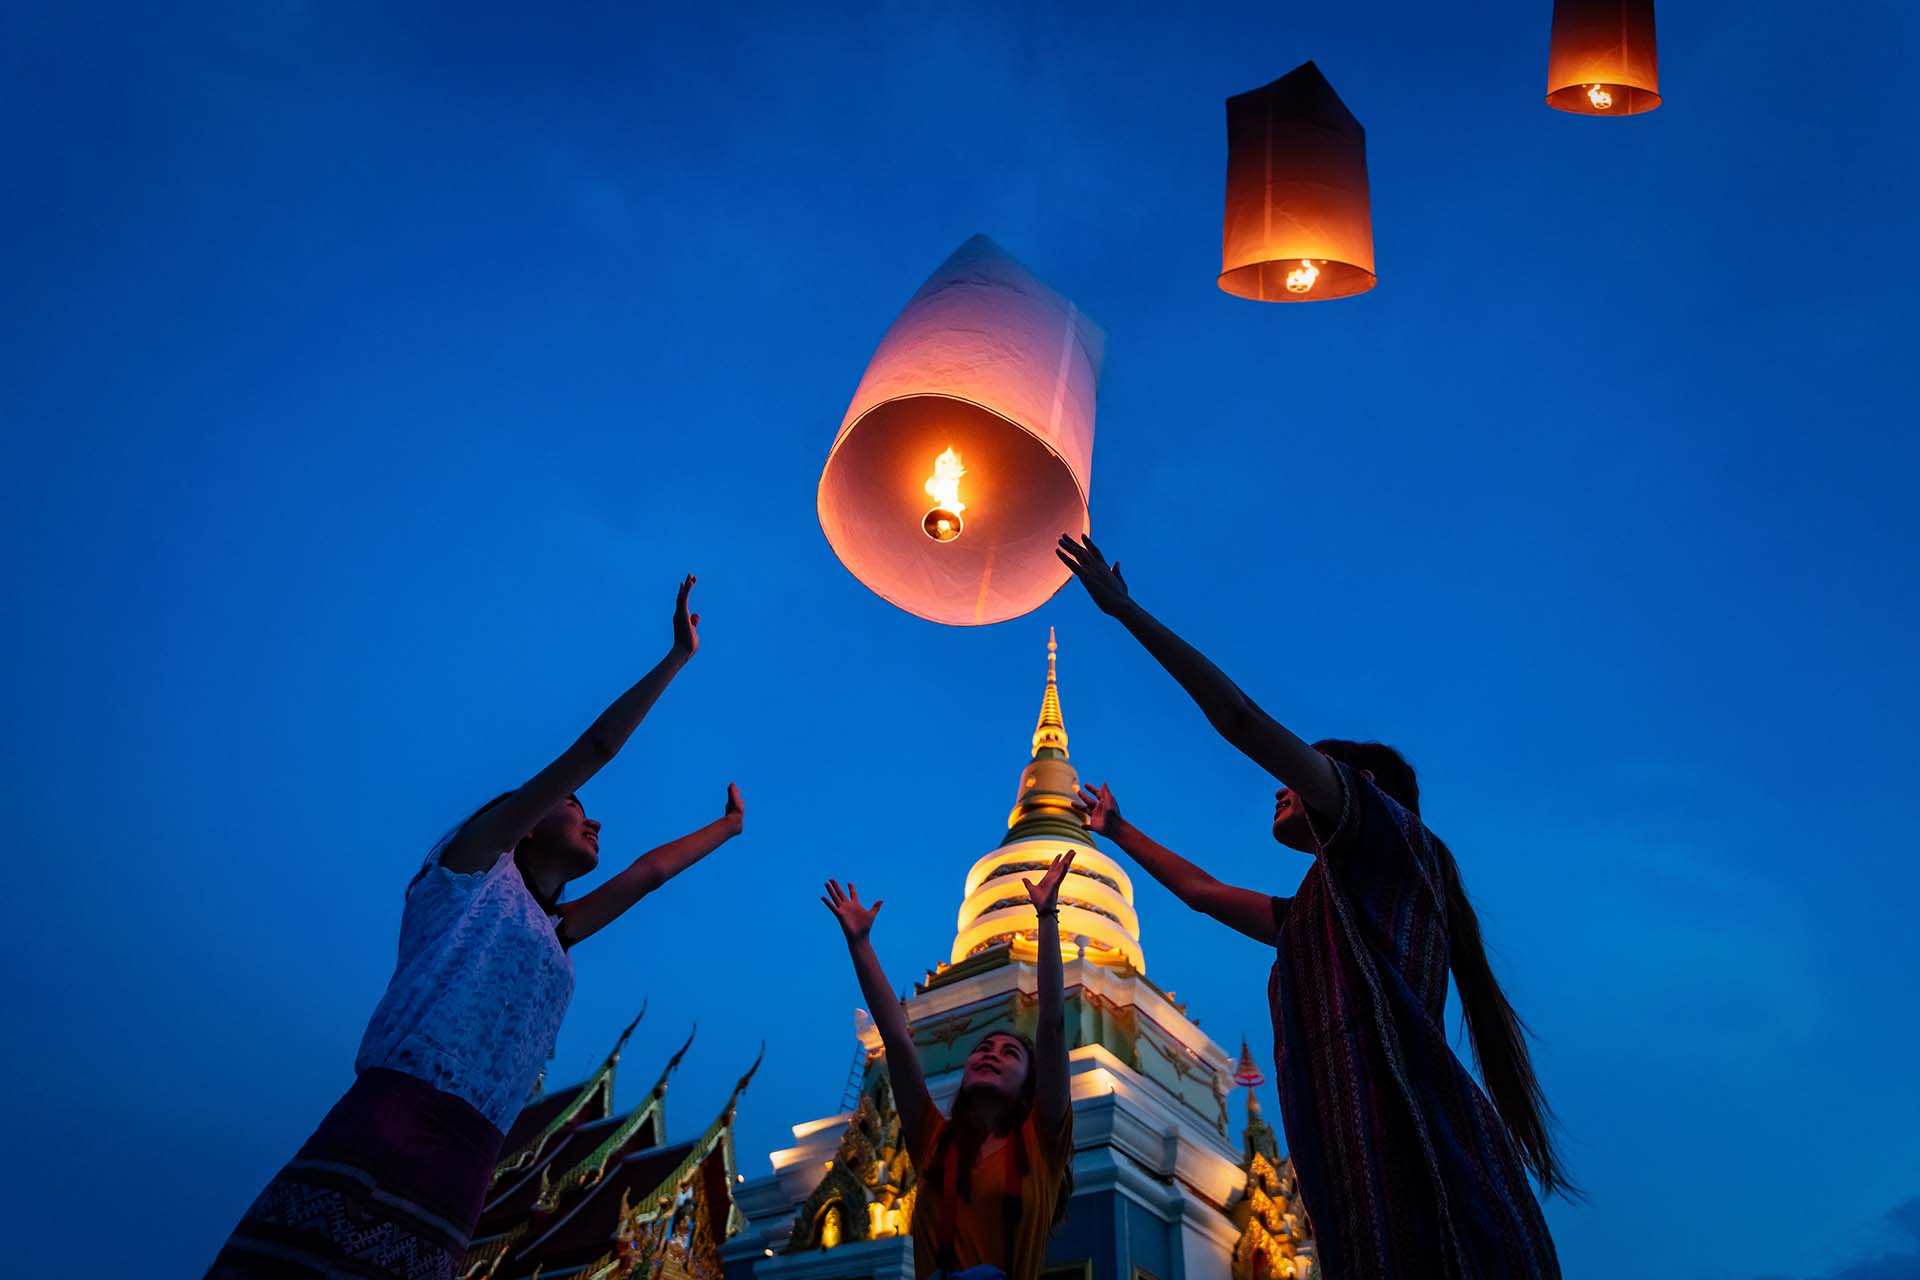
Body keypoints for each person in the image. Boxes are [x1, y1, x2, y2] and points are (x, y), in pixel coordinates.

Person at [1058, 534, 1567, 1280]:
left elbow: (1240, 718)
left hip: (1411, 1146)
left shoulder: (1396, 844)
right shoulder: (1320, 915)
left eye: (1304, 773)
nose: (1280, 785)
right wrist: (1119, 830)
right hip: (1352, 1162)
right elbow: (1201, 896)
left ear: (1359, 791)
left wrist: (1125, 611)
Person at [208, 575, 743, 1280]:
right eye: (575, 807)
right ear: (522, 824)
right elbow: (599, 746)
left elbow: (646, 873)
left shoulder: (558, 932)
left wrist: (729, 828)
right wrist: (676, 659)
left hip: (472, 1153)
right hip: (397, 1114)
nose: (593, 820)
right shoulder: (470, 873)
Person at [821, 855, 1076, 1280]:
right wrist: (860, 945)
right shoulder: (935, 1139)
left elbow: (1051, 1023)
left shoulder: (1043, 1142)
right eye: (982, 1049)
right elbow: (899, 1041)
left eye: (1009, 1053)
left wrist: (1047, 914)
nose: (990, 1053)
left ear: (1029, 1087)